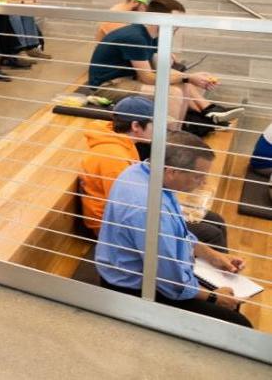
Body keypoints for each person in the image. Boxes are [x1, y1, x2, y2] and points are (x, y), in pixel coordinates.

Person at [95, 131, 252, 327]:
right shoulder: (149, 209)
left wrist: (212, 255)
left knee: (214, 224)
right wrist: (213, 297)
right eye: (198, 177)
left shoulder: (142, 171)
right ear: (171, 172)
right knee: (239, 324)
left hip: (143, 268)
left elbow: (178, 233)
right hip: (133, 288)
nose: (204, 182)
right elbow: (169, 282)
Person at [80, 96, 228, 247]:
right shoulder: (113, 157)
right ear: (136, 126)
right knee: (212, 234)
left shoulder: (122, 142)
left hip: (134, 213)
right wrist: (171, 212)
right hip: (113, 229)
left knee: (215, 220)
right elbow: (126, 209)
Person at [83, 0, 242, 130]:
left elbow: (160, 70)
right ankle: (167, 142)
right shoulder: (135, 37)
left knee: (183, 83)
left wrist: (189, 77)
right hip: (107, 86)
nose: (179, 25)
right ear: (157, 18)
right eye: (175, 19)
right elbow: (148, 78)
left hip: (127, 80)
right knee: (173, 92)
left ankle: (192, 121)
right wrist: (187, 77)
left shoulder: (153, 35)